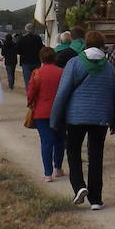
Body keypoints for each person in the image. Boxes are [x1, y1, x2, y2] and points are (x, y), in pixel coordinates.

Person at [50, 30, 115, 209]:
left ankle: (79, 186)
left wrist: (55, 118)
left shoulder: (74, 63)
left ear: (85, 44)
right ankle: (96, 199)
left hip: (76, 116)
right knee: (96, 155)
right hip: (100, 117)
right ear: (101, 45)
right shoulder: (108, 67)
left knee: (74, 151)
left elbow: (63, 92)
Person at [26, 45, 65, 182]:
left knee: (46, 142)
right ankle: (58, 168)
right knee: (60, 140)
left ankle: (48, 173)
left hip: (41, 111)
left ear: (41, 58)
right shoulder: (62, 72)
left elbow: (31, 92)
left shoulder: (37, 73)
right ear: (55, 58)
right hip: (60, 111)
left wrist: (30, 103)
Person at [16, 22, 43, 88]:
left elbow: (17, 50)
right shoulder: (38, 38)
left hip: (25, 61)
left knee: (27, 80)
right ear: (33, 29)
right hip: (36, 61)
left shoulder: (21, 39)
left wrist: (23, 53)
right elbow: (41, 49)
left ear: (26, 29)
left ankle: (29, 93)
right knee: (37, 79)